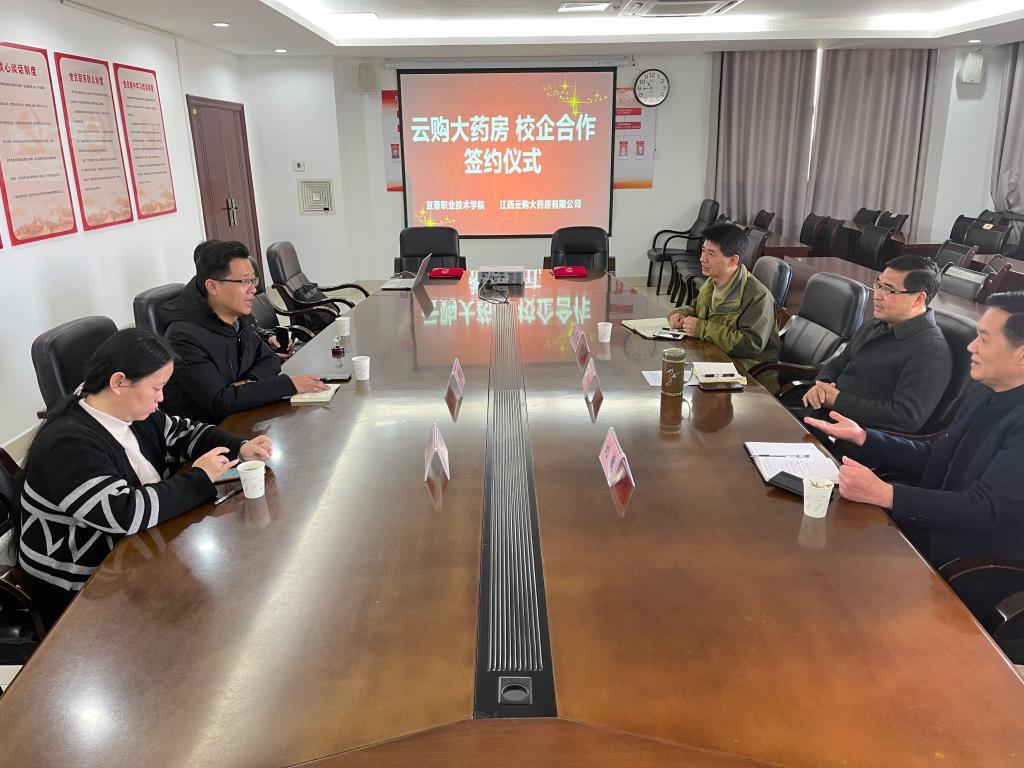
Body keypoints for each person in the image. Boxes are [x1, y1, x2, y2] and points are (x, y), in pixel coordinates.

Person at [14, 329, 273, 623]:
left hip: (133, 552)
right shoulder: (68, 443)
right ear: (118, 382)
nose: (161, 398)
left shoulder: (132, 413)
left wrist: (240, 446)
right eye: (156, 388)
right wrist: (200, 477)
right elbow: (125, 513)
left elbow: (186, 433)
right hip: (80, 586)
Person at [805, 292, 1024, 568]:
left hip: (970, 562)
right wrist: (864, 437)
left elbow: (983, 508)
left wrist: (887, 494)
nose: (971, 347)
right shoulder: (984, 391)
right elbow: (938, 456)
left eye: (984, 339)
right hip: (929, 523)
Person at [161, 240, 327, 423]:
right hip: (210, 431)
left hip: (245, 415)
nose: (253, 289)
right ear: (213, 286)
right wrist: (288, 384)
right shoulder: (183, 337)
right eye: (244, 281)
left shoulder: (237, 316)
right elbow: (219, 402)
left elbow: (269, 360)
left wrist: (247, 384)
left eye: (253, 280)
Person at [795, 256, 951, 433]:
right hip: (819, 416)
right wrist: (822, 385)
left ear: (918, 299)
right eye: (878, 285)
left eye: (889, 290)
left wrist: (838, 401)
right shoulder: (874, 324)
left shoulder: (931, 350)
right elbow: (837, 363)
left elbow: (906, 417)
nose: (876, 295)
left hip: (853, 437)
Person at [667, 223, 780, 375]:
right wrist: (681, 314)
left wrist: (703, 329)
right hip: (713, 358)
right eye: (703, 251)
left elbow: (750, 345)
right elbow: (697, 308)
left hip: (746, 373)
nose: (702, 259)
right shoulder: (712, 282)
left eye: (711, 254)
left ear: (733, 260)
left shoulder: (758, 296)